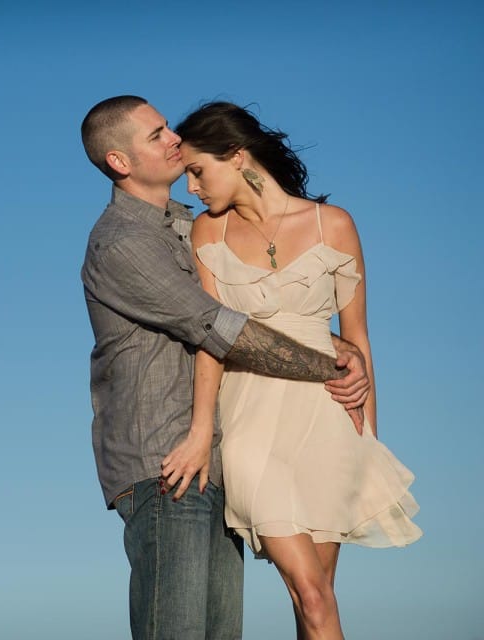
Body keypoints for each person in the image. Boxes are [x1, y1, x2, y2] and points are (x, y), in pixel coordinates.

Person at [80, 95, 371, 640]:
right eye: (157, 134)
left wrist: (331, 340)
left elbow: (258, 309)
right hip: (164, 460)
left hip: (213, 454)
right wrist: (331, 364)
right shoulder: (122, 243)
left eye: (169, 128)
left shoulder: (189, 226)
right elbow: (217, 326)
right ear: (119, 162)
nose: (173, 139)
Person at [175, 101, 422, 639]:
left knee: (316, 597)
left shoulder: (332, 224)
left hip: (328, 419)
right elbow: (211, 342)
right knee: (311, 592)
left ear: (237, 156)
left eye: (197, 170)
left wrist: (369, 437)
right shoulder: (207, 235)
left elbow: (357, 339)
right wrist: (200, 429)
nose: (191, 187)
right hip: (249, 424)